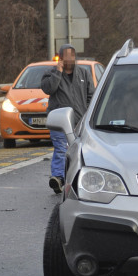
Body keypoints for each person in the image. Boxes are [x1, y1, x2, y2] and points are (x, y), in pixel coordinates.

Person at [41, 44, 93, 192]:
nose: (69, 59)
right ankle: (58, 178)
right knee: (61, 149)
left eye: (72, 55)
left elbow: (92, 95)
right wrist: (58, 72)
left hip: (80, 122)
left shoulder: (84, 74)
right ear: (60, 58)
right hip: (59, 122)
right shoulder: (50, 74)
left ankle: (77, 179)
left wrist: (87, 113)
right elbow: (48, 89)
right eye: (66, 56)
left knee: (80, 151)